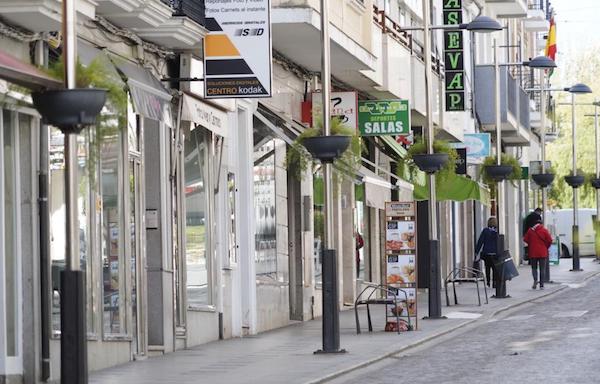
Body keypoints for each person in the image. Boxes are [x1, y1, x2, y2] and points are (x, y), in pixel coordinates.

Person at [523, 216, 553, 289]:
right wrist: (546, 247)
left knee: (534, 268)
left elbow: (525, 239)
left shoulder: (530, 231)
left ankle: (535, 280)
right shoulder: (544, 230)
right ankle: (542, 284)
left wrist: (531, 243)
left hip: (533, 252)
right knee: (542, 269)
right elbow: (550, 240)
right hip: (542, 252)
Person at [475, 217, 498, 287]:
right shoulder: (497, 231)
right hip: (495, 253)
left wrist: (476, 251)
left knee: (487, 267)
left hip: (486, 253)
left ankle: (488, 281)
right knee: (495, 269)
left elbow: (480, 241)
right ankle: (494, 282)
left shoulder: (485, 231)